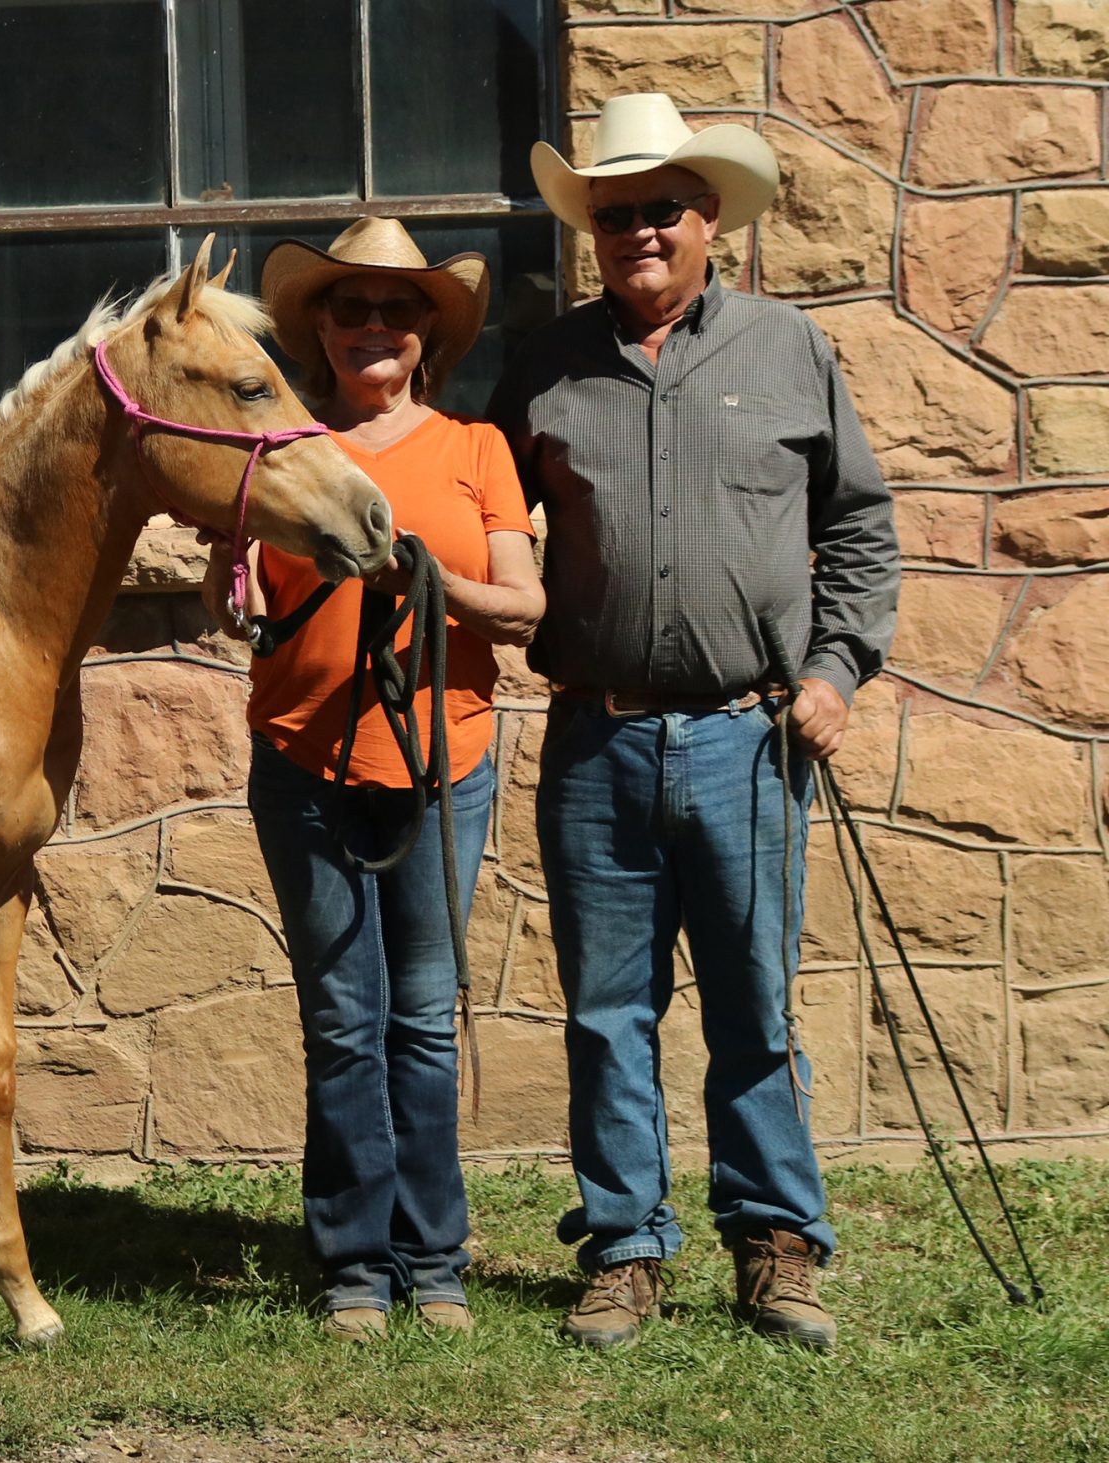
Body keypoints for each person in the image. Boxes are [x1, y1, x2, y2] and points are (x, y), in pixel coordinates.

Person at [487, 93, 899, 1352]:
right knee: (605, 1009)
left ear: (706, 216)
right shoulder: (542, 368)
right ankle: (621, 1245)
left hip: (750, 738)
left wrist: (833, 671)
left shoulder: (788, 351)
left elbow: (857, 529)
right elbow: (475, 522)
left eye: (659, 209)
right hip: (594, 740)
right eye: (612, 216)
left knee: (751, 1004)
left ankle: (775, 1241)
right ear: (591, 233)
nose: (637, 233)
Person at [203, 217, 544, 1340]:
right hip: (303, 754)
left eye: (396, 310)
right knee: (344, 1014)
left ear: (425, 332)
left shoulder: (473, 448)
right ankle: (353, 1261)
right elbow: (236, 589)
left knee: (422, 1020)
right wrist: (237, 592)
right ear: (319, 327)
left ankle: (430, 1255)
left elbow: (523, 603)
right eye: (349, 308)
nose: (373, 326)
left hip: (442, 756)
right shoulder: (281, 447)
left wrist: (424, 575)